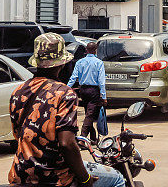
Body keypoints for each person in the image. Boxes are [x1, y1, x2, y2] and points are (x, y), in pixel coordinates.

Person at [8, 33, 124, 187]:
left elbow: (19, 135)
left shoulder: (18, 91)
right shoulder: (64, 94)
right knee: (117, 178)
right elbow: (66, 144)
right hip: (55, 175)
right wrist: (85, 179)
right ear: (61, 64)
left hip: (21, 172)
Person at [67, 41, 107, 142]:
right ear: (95, 51)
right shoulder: (99, 63)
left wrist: (67, 88)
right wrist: (104, 96)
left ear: (86, 50)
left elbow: (73, 77)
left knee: (89, 114)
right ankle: (82, 138)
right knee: (90, 114)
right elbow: (101, 81)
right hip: (94, 91)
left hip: (83, 90)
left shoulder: (80, 62)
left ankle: (93, 137)